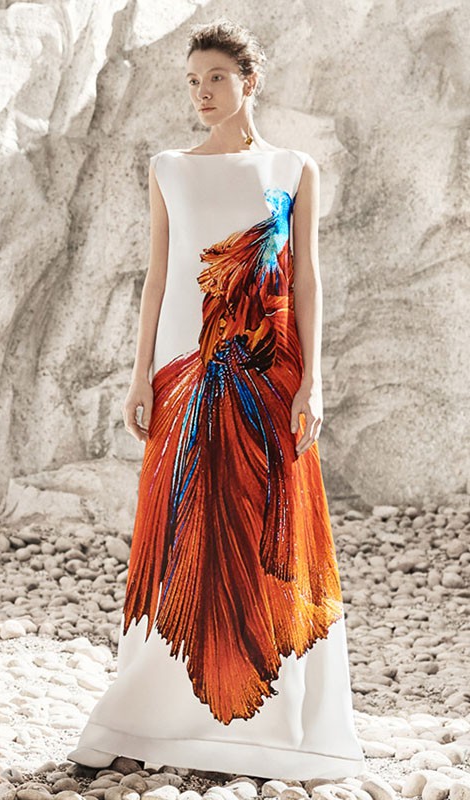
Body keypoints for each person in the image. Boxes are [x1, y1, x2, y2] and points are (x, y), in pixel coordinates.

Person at [68, 17, 366, 781]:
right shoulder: (169, 167)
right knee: (182, 528)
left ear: (249, 81)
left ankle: (272, 721)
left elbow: (305, 280)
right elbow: (159, 276)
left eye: (217, 79)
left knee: (269, 528)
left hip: (271, 376)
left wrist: (314, 380)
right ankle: (156, 713)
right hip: (185, 375)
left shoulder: (294, 168)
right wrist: (141, 374)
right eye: (193, 82)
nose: (202, 93)